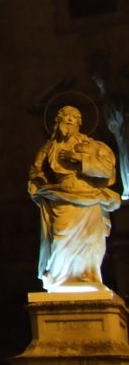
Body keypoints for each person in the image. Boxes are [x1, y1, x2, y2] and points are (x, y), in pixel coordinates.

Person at [29, 105, 121, 292]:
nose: (70, 119)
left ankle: (88, 277)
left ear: (80, 123)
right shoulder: (48, 148)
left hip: (89, 199)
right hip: (61, 199)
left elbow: (107, 171)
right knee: (59, 241)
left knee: (89, 241)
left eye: (74, 116)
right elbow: (35, 171)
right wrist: (36, 183)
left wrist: (79, 159)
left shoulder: (92, 146)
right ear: (58, 121)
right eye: (65, 115)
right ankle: (59, 279)